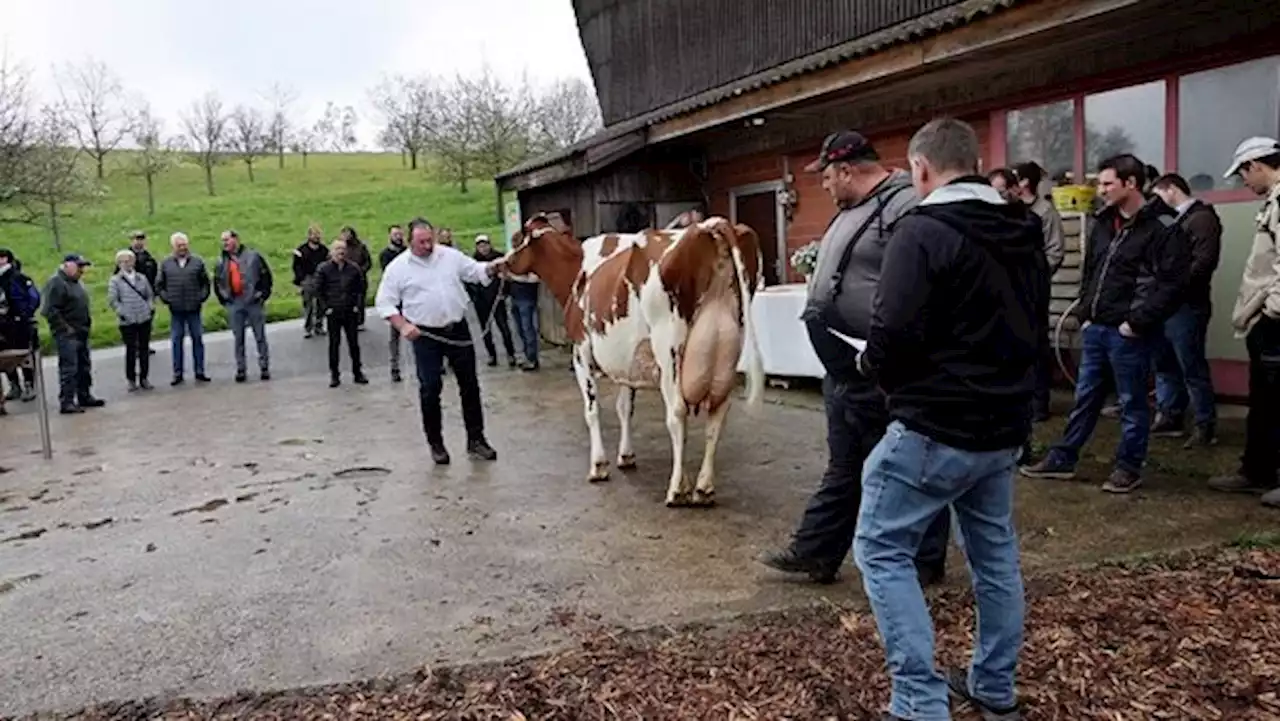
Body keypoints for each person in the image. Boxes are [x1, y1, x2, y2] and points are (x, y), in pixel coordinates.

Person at [853, 117, 1045, 721]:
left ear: (922, 169)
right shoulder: (1024, 226)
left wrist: (873, 368)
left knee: (882, 550)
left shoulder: (923, 229)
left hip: (935, 427)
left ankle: (917, 703)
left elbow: (893, 330)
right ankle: (994, 687)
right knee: (994, 559)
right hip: (1002, 427)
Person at [758, 130, 951, 586]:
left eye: (826, 176)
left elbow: (921, 284)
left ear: (847, 171)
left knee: (902, 464)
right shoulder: (855, 209)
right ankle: (817, 553)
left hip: (880, 365)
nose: (823, 186)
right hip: (842, 363)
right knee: (845, 462)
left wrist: (887, 353)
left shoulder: (904, 206)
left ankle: (925, 559)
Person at [1021, 154, 1190, 493]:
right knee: (1085, 397)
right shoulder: (1103, 222)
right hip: (1096, 328)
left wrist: (1137, 322)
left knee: (1132, 401)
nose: (1100, 190)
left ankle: (1128, 466)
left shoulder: (1163, 227)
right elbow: (1092, 271)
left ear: (1131, 184)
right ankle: (1063, 458)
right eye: (1100, 183)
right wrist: (1084, 313)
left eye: (1107, 183)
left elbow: (1171, 283)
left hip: (1130, 332)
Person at [375, 217, 504, 464]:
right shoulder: (398, 268)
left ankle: (476, 440)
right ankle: (436, 444)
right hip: (425, 335)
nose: (427, 246)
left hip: (457, 329)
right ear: (410, 242)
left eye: (429, 240)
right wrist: (402, 325)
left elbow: (474, 271)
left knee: (470, 385)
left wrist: (492, 267)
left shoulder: (449, 256)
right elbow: (384, 302)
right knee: (430, 388)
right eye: (421, 242)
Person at [1210, 136, 1280, 510]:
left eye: (1243, 174)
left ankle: (1265, 471)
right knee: (1265, 401)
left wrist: (1272, 311)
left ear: (1256, 165)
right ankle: (1258, 471)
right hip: (1267, 322)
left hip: (1276, 323)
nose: (1243, 183)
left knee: (1275, 400)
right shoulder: (1272, 202)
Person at [1149, 173, 1222, 447]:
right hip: (1166, 305)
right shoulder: (1172, 220)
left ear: (1171, 190)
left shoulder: (1201, 219)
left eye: (1157, 194)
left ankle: (1205, 425)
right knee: (1165, 363)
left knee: (1191, 366)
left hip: (1187, 304)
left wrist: (1170, 286)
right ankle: (1170, 415)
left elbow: (1203, 263)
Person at [1011, 162, 1066, 422]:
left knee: (1038, 345)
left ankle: (1039, 403)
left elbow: (1055, 251)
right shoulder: (1009, 211)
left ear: (1024, 182)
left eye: (1015, 179)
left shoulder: (1045, 212)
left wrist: (1035, 275)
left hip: (1034, 289)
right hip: (1009, 290)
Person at [42, 254, 105, 414]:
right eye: (79, 266)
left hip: (82, 330)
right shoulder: (56, 283)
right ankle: (67, 401)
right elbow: (50, 310)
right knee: (69, 368)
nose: (82, 270)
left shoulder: (76, 282)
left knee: (84, 365)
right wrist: (65, 328)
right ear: (67, 265)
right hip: (67, 334)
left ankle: (84, 395)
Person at [214, 229, 273, 382]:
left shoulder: (254, 256)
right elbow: (217, 282)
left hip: (253, 301)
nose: (224, 243)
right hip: (234, 302)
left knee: (260, 335)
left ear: (235, 239)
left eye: (227, 240)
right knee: (238, 338)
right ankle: (241, 368)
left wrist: (262, 295)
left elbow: (266, 276)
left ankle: (264, 366)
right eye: (223, 241)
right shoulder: (221, 261)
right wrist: (225, 300)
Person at [156, 232, 212, 385]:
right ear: (173, 246)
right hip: (176, 309)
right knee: (176, 341)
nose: (182, 248)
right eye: (179, 245)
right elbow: (159, 285)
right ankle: (177, 373)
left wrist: (201, 297)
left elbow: (206, 283)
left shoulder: (197, 262)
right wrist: (167, 299)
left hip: (194, 308)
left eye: (184, 245)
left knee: (197, 339)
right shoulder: (166, 263)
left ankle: (200, 371)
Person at [316, 238, 368, 387]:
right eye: (338, 249)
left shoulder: (354, 268)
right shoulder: (324, 269)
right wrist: (326, 308)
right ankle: (334, 375)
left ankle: (357, 372)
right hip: (333, 311)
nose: (341, 252)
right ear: (332, 252)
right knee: (334, 344)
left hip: (350, 310)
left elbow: (361, 288)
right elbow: (318, 290)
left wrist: (357, 306)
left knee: (354, 344)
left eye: (343, 249)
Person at [107, 249, 156, 391]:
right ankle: (131, 379)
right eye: (123, 261)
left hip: (144, 318)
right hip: (127, 321)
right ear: (119, 263)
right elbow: (113, 300)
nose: (127, 263)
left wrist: (149, 308)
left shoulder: (141, 278)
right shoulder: (115, 280)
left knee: (144, 349)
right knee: (131, 350)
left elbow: (149, 295)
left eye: (129, 260)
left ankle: (144, 378)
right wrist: (122, 313)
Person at [468, 234, 517, 368]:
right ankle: (491, 355)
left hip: (497, 299)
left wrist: (504, 293)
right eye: (480, 246)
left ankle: (511, 353)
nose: (483, 248)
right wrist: (474, 297)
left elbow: (506, 278)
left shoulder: (499, 259)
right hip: (481, 302)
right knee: (485, 331)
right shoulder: (472, 262)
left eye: (485, 245)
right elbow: (469, 282)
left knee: (504, 328)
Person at [0, 249, 39, 403]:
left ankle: (29, 384)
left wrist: (24, 314)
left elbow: (34, 297)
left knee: (24, 353)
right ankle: (14, 385)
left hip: (19, 323)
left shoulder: (19, 278)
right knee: (5, 356)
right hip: (2, 324)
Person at [380, 224, 408, 382]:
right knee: (395, 335)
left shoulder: (408, 252)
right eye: (395, 234)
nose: (398, 237)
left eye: (400, 234)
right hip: (396, 298)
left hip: (411, 297)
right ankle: (394, 367)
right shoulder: (386, 254)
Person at [126, 231, 159, 358]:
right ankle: (135, 347)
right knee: (133, 322)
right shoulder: (126, 258)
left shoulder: (149, 258)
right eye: (136, 239)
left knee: (147, 322)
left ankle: (144, 345)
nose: (139, 242)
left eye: (141, 239)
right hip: (131, 297)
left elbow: (155, 276)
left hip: (147, 296)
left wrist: (155, 293)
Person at [293, 223, 329, 338]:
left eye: (318, 234)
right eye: (314, 234)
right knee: (308, 304)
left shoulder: (324, 250)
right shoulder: (301, 250)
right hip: (307, 278)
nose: (317, 237)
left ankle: (319, 325)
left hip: (321, 278)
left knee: (321, 304)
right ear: (309, 236)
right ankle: (308, 328)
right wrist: (301, 279)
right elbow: (296, 266)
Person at [339, 225, 373, 329]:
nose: (346, 236)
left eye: (347, 234)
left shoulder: (360, 247)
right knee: (346, 301)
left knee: (359, 301)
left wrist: (361, 271)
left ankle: (360, 321)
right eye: (344, 234)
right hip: (345, 279)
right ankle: (348, 321)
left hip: (360, 278)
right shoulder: (341, 248)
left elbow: (368, 262)